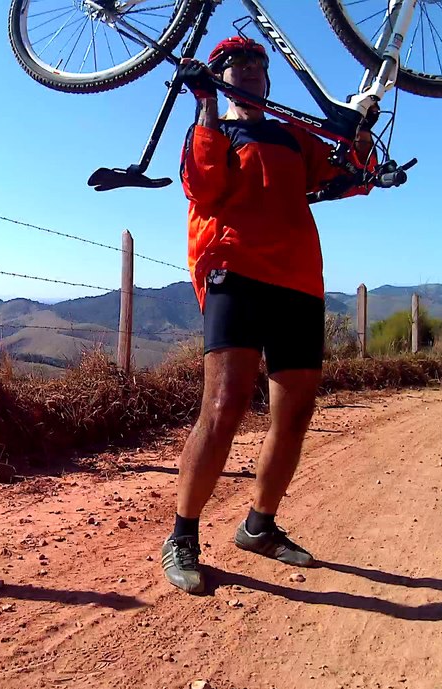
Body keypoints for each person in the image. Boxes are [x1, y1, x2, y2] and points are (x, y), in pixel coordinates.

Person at [160, 36, 376, 594]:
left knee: (295, 413)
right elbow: (202, 187)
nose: (251, 70)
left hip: (298, 279)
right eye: (237, 63)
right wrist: (205, 106)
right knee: (224, 405)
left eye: (259, 63)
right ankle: (182, 536)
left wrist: (362, 132)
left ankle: (259, 526)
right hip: (234, 270)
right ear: (218, 74)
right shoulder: (212, 130)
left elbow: (350, 177)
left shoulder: (292, 134)